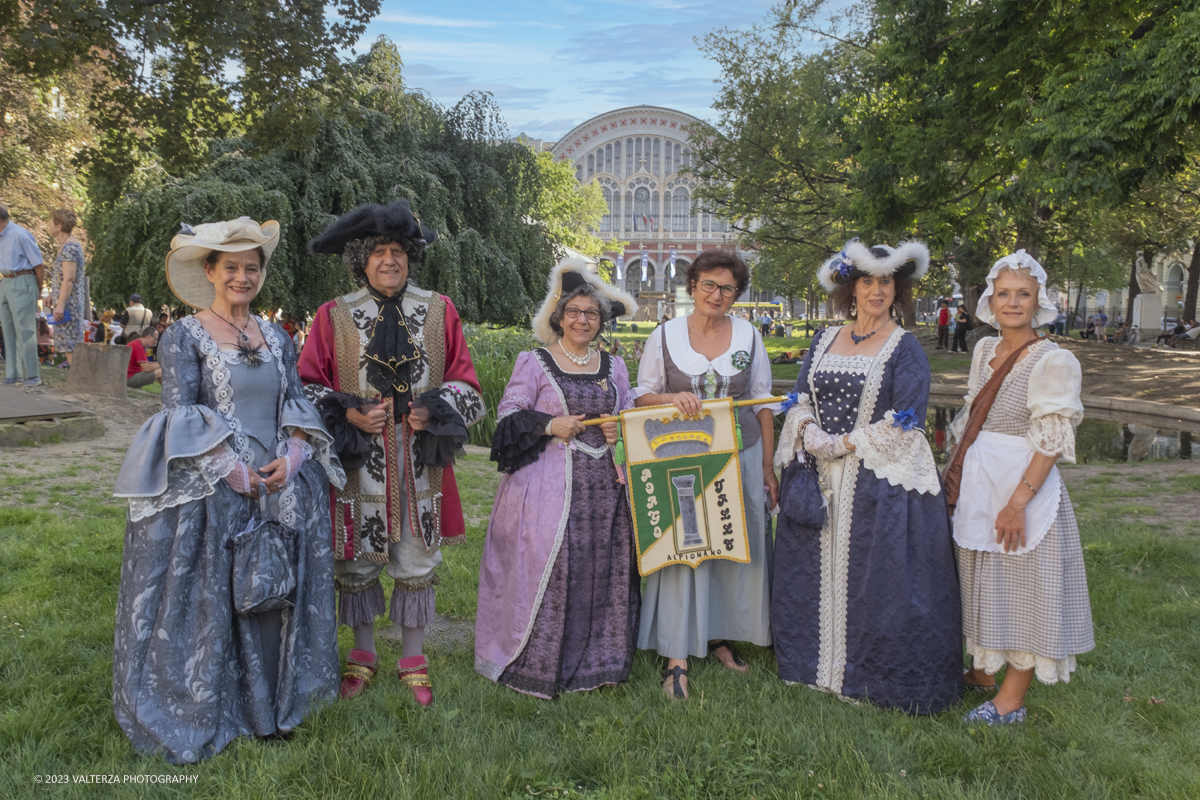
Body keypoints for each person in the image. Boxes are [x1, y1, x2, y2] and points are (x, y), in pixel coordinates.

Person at [111, 217, 345, 764]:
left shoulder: (279, 335)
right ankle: (225, 706)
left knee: (275, 585)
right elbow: (179, 414)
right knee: (220, 587)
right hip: (217, 482)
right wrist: (229, 469)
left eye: (252, 267)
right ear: (210, 272)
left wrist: (293, 456)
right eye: (232, 268)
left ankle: (277, 706)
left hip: (280, 480)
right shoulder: (183, 336)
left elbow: (295, 404)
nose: (242, 277)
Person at [300, 199, 486, 706]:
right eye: (379, 251)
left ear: (411, 256)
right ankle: (362, 655)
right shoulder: (333, 316)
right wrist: (350, 414)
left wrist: (435, 410)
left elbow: (468, 383)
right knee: (356, 562)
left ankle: (413, 656)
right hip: (358, 461)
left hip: (419, 458)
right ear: (361, 258)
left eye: (399, 251)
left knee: (415, 556)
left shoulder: (439, 309)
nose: (390, 260)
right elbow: (305, 388)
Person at [772, 240, 962, 714]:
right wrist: (810, 431)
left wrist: (844, 444)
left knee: (877, 579)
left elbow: (908, 417)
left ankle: (868, 675)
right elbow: (798, 397)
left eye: (885, 281)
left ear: (897, 289)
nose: (876, 290)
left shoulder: (906, 347)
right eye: (867, 281)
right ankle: (811, 665)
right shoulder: (822, 339)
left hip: (878, 479)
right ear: (850, 288)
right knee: (813, 571)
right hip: (817, 472)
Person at [476, 261, 640, 698]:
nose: (583, 320)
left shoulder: (614, 365)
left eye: (591, 314)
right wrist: (551, 425)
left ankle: (599, 662)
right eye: (575, 312)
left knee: (602, 568)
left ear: (601, 322)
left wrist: (616, 427)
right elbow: (508, 416)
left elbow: (627, 415)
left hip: (605, 488)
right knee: (553, 565)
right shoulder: (534, 361)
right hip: (548, 487)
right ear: (559, 317)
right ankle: (538, 661)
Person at [948, 249, 1094, 725]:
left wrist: (1018, 503)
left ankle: (1011, 702)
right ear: (991, 299)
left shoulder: (1054, 360)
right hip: (980, 476)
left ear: (1038, 301)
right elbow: (972, 411)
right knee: (982, 577)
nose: (1012, 302)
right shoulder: (985, 349)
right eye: (1004, 293)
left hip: (1023, 481)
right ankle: (984, 673)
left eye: (1023, 294)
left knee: (1024, 588)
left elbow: (1051, 439)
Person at [633, 249, 778, 700]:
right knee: (685, 543)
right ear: (693, 285)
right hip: (681, 456)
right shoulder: (664, 335)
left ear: (737, 294)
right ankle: (676, 650)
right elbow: (640, 396)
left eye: (727, 288)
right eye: (709, 285)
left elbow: (763, 402)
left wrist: (769, 467)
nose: (717, 294)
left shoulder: (750, 335)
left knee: (734, 541)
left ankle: (718, 633)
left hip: (743, 455)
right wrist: (669, 400)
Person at [0, 203, 46, 386]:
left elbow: (39, 264)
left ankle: (33, 375)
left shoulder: (20, 234)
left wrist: (38, 289)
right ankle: (13, 374)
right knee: (8, 329)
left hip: (23, 279)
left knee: (25, 329)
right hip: (6, 281)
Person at [47, 208, 87, 367]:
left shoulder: (69, 247)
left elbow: (69, 279)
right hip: (67, 303)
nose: (48, 225)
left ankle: (81, 383)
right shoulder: (67, 245)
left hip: (68, 305)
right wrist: (52, 293)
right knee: (69, 345)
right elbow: (62, 277)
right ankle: (79, 381)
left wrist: (60, 306)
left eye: (51, 222)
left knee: (71, 346)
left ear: (59, 226)